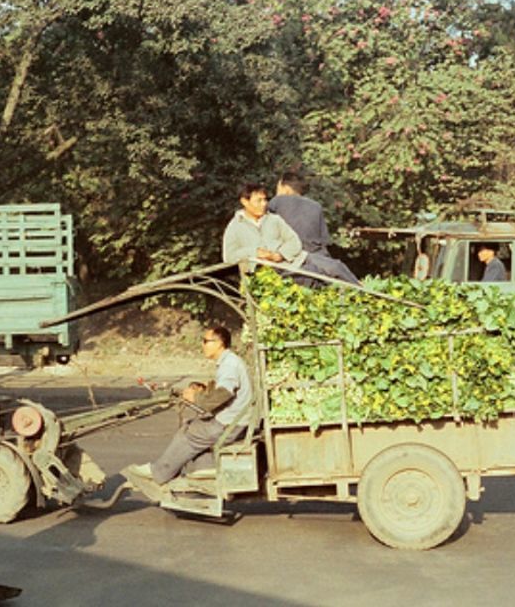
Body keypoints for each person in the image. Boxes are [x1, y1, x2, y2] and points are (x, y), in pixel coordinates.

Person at [123, 326, 252, 499]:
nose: (203, 345)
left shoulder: (229, 364)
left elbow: (224, 393)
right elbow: (222, 389)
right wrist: (200, 391)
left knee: (188, 433)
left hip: (229, 424)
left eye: (206, 341)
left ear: (220, 343)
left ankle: (158, 473)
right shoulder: (229, 361)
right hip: (232, 420)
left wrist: (197, 399)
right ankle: (205, 470)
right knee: (193, 425)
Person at [222, 183, 361, 287]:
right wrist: (256, 253)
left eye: (265, 200)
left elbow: (294, 241)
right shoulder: (235, 227)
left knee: (335, 267)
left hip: (297, 258)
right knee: (316, 275)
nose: (264, 204)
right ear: (245, 202)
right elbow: (229, 256)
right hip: (276, 270)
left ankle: (366, 293)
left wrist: (281, 254)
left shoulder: (273, 219)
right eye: (259, 201)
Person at [268, 171, 333, 256]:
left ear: (286, 188)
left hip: (286, 255)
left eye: (278, 188)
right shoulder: (316, 206)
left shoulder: (276, 202)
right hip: (315, 255)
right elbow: (324, 240)